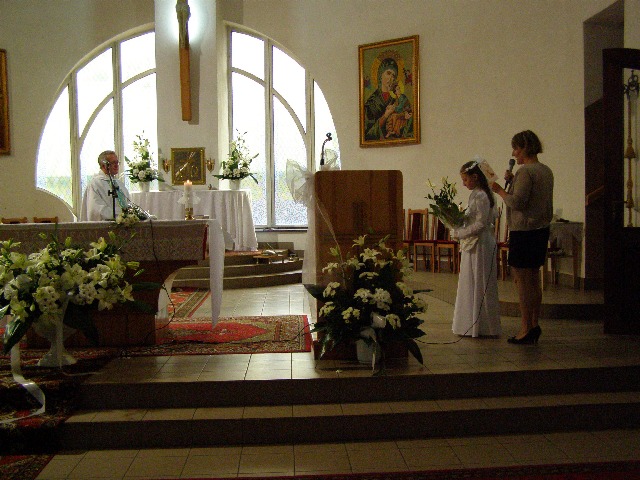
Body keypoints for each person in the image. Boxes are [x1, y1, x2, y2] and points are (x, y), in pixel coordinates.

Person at [491, 130, 554, 344]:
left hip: (525, 232)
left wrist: (500, 190)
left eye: (516, 148)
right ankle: (534, 324)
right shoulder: (545, 170)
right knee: (533, 279)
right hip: (540, 230)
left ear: (525, 147)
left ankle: (526, 328)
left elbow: (518, 202)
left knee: (523, 282)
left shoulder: (526, 172)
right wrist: (512, 182)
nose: (514, 153)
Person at [451, 159, 502, 338]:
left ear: (475, 177)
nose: (463, 183)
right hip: (475, 242)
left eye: (465, 179)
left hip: (480, 243)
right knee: (471, 282)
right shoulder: (477, 194)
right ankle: (473, 325)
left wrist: (460, 233)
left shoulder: (481, 195)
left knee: (480, 282)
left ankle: (482, 327)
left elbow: (481, 224)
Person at [364, 57, 413, 140]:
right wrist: (385, 116)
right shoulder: (371, 103)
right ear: (380, 75)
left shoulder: (397, 98)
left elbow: (409, 116)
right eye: (388, 73)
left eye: (393, 76)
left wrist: (403, 115)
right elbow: (367, 135)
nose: (391, 78)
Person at [80, 150, 131, 221]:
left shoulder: (118, 183)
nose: (116, 165)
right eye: (113, 163)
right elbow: (96, 210)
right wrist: (119, 215)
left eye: (117, 162)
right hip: (107, 224)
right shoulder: (95, 184)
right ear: (104, 165)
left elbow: (127, 203)